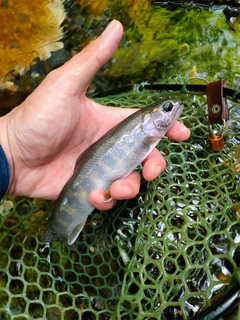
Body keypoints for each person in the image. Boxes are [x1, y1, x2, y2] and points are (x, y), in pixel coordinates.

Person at [0, 20, 190, 211]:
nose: (172, 108)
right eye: (167, 108)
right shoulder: (146, 135)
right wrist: (11, 149)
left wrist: (11, 152)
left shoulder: (148, 136)